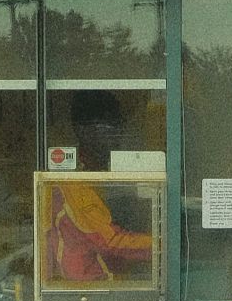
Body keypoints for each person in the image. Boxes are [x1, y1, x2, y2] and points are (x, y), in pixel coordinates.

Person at [45, 92, 152, 282]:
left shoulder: (95, 172)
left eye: (120, 129)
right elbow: (109, 240)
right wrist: (164, 244)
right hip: (88, 286)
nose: (117, 139)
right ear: (85, 131)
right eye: (111, 130)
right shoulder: (73, 180)